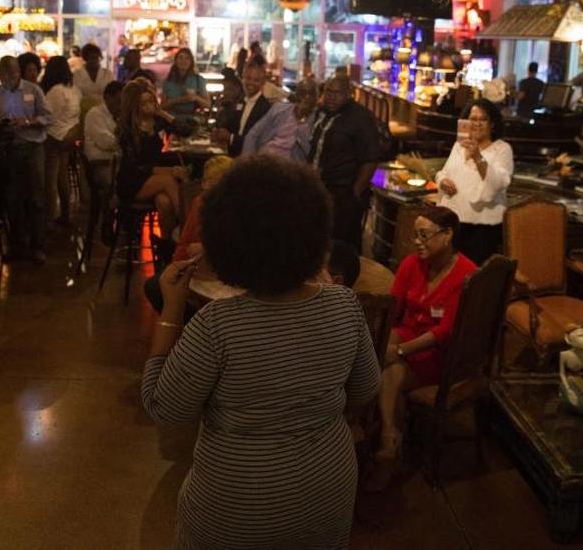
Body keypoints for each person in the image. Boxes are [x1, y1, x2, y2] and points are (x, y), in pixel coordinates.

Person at [141, 156, 381, 550]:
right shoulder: (345, 305)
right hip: (327, 492)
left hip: (239, 507)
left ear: (227, 240)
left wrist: (171, 309)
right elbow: (364, 390)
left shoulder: (218, 324)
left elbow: (166, 409)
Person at [373, 206, 476, 469]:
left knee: (391, 369)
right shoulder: (412, 264)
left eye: (424, 235)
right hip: (409, 336)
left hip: (439, 353)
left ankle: (387, 439)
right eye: (415, 235)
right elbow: (394, 309)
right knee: (375, 350)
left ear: (448, 234)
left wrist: (397, 351)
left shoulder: (466, 274)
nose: (417, 242)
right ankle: (387, 436)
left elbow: (445, 332)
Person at [142, 155, 235, 321]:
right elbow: (183, 245)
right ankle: (194, 325)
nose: (214, 191)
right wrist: (177, 268)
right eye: (209, 183)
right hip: (200, 272)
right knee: (155, 286)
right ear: (204, 185)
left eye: (221, 184)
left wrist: (208, 248)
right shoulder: (200, 203)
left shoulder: (243, 210)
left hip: (229, 278)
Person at [0, 55, 49, 264]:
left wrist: (29, 121)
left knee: (36, 198)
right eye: (4, 76)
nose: (9, 79)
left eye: (12, 74)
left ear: (18, 72)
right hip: (9, 149)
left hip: (32, 147)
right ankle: (18, 245)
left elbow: (48, 117)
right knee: (13, 200)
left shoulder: (33, 90)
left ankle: (38, 246)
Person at [306, 74, 382, 250]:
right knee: (318, 238)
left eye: (337, 93)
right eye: (328, 92)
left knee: (341, 244)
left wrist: (355, 193)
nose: (331, 96)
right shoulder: (322, 111)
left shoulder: (360, 118)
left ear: (349, 94)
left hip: (343, 191)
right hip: (319, 187)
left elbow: (370, 159)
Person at [435, 98, 513, 265]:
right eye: (473, 119)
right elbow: (443, 172)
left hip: (482, 228)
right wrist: (443, 182)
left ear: (492, 124)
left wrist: (477, 156)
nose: (477, 123)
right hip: (452, 222)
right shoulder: (459, 146)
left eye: (483, 119)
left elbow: (498, 183)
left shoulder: (502, 149)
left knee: (472, 277)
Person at [116, 80, 189, 241]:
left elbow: (185, 131)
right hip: (132, 182)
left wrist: (163, 114)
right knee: (169, 180)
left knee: (164, 202)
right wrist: (167, 170)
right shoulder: (127, 129)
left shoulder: (157, 122)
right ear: (134, 105)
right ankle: (189, 229)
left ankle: (167, 248)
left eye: (151, 101)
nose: (149, 106)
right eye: (144, 103)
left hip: (153, 179)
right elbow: (134, 167)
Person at [41, 56, 82, 227]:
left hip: (55, 135)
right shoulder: (73, 89)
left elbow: (47, 116)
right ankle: (65, 213)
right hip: (69, 135)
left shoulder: (56, 91)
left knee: (50, 178)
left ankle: (51, 215)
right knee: (62, 176)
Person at [84, 81, 124, 242]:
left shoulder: (121, 115)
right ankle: (108, 223)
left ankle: (128, 223)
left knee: (134, 179)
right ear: (107, 98)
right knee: (115, 183)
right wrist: (122, 139)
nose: (121, 104)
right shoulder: (95, 114)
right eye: (118, 100)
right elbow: (106, 142)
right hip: (99, 164)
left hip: (118, 162)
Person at [211, 56, 274, 157]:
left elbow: (258, 142)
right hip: (231, 156)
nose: (250, 83)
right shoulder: (240, 102)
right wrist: (219, 132)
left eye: (256, 80)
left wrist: (230, 137)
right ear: (243, 79)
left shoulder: (265, 108)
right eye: (248, 78)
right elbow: (230, 125)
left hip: (249, 162)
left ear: (262, 83)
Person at [161, 47, 209, 119]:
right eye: (181, 58)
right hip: (172, 120)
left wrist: (195, 98)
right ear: (176, 61)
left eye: (187, 58)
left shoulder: (198, 80)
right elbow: (162, 106)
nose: (183, 61)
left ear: (191, 62)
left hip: (192, 120)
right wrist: (177, 100)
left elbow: (208, 104)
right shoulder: (168, 81)